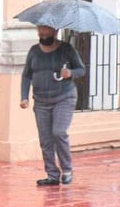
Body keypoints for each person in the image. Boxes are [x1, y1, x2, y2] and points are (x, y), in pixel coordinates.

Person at [20, 25, 85, 186]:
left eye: (46, 32)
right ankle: (52, 174)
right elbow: (27, 75)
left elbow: (81, 69)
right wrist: (24, 97)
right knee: (45, 139)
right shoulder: (34, 51)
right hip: (41, 100)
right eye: (40, 32)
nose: (42, 35)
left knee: (58, 132)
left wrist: (70, 73)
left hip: (64, 97)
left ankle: (67, 169)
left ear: (55, 32)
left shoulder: (66, 49)